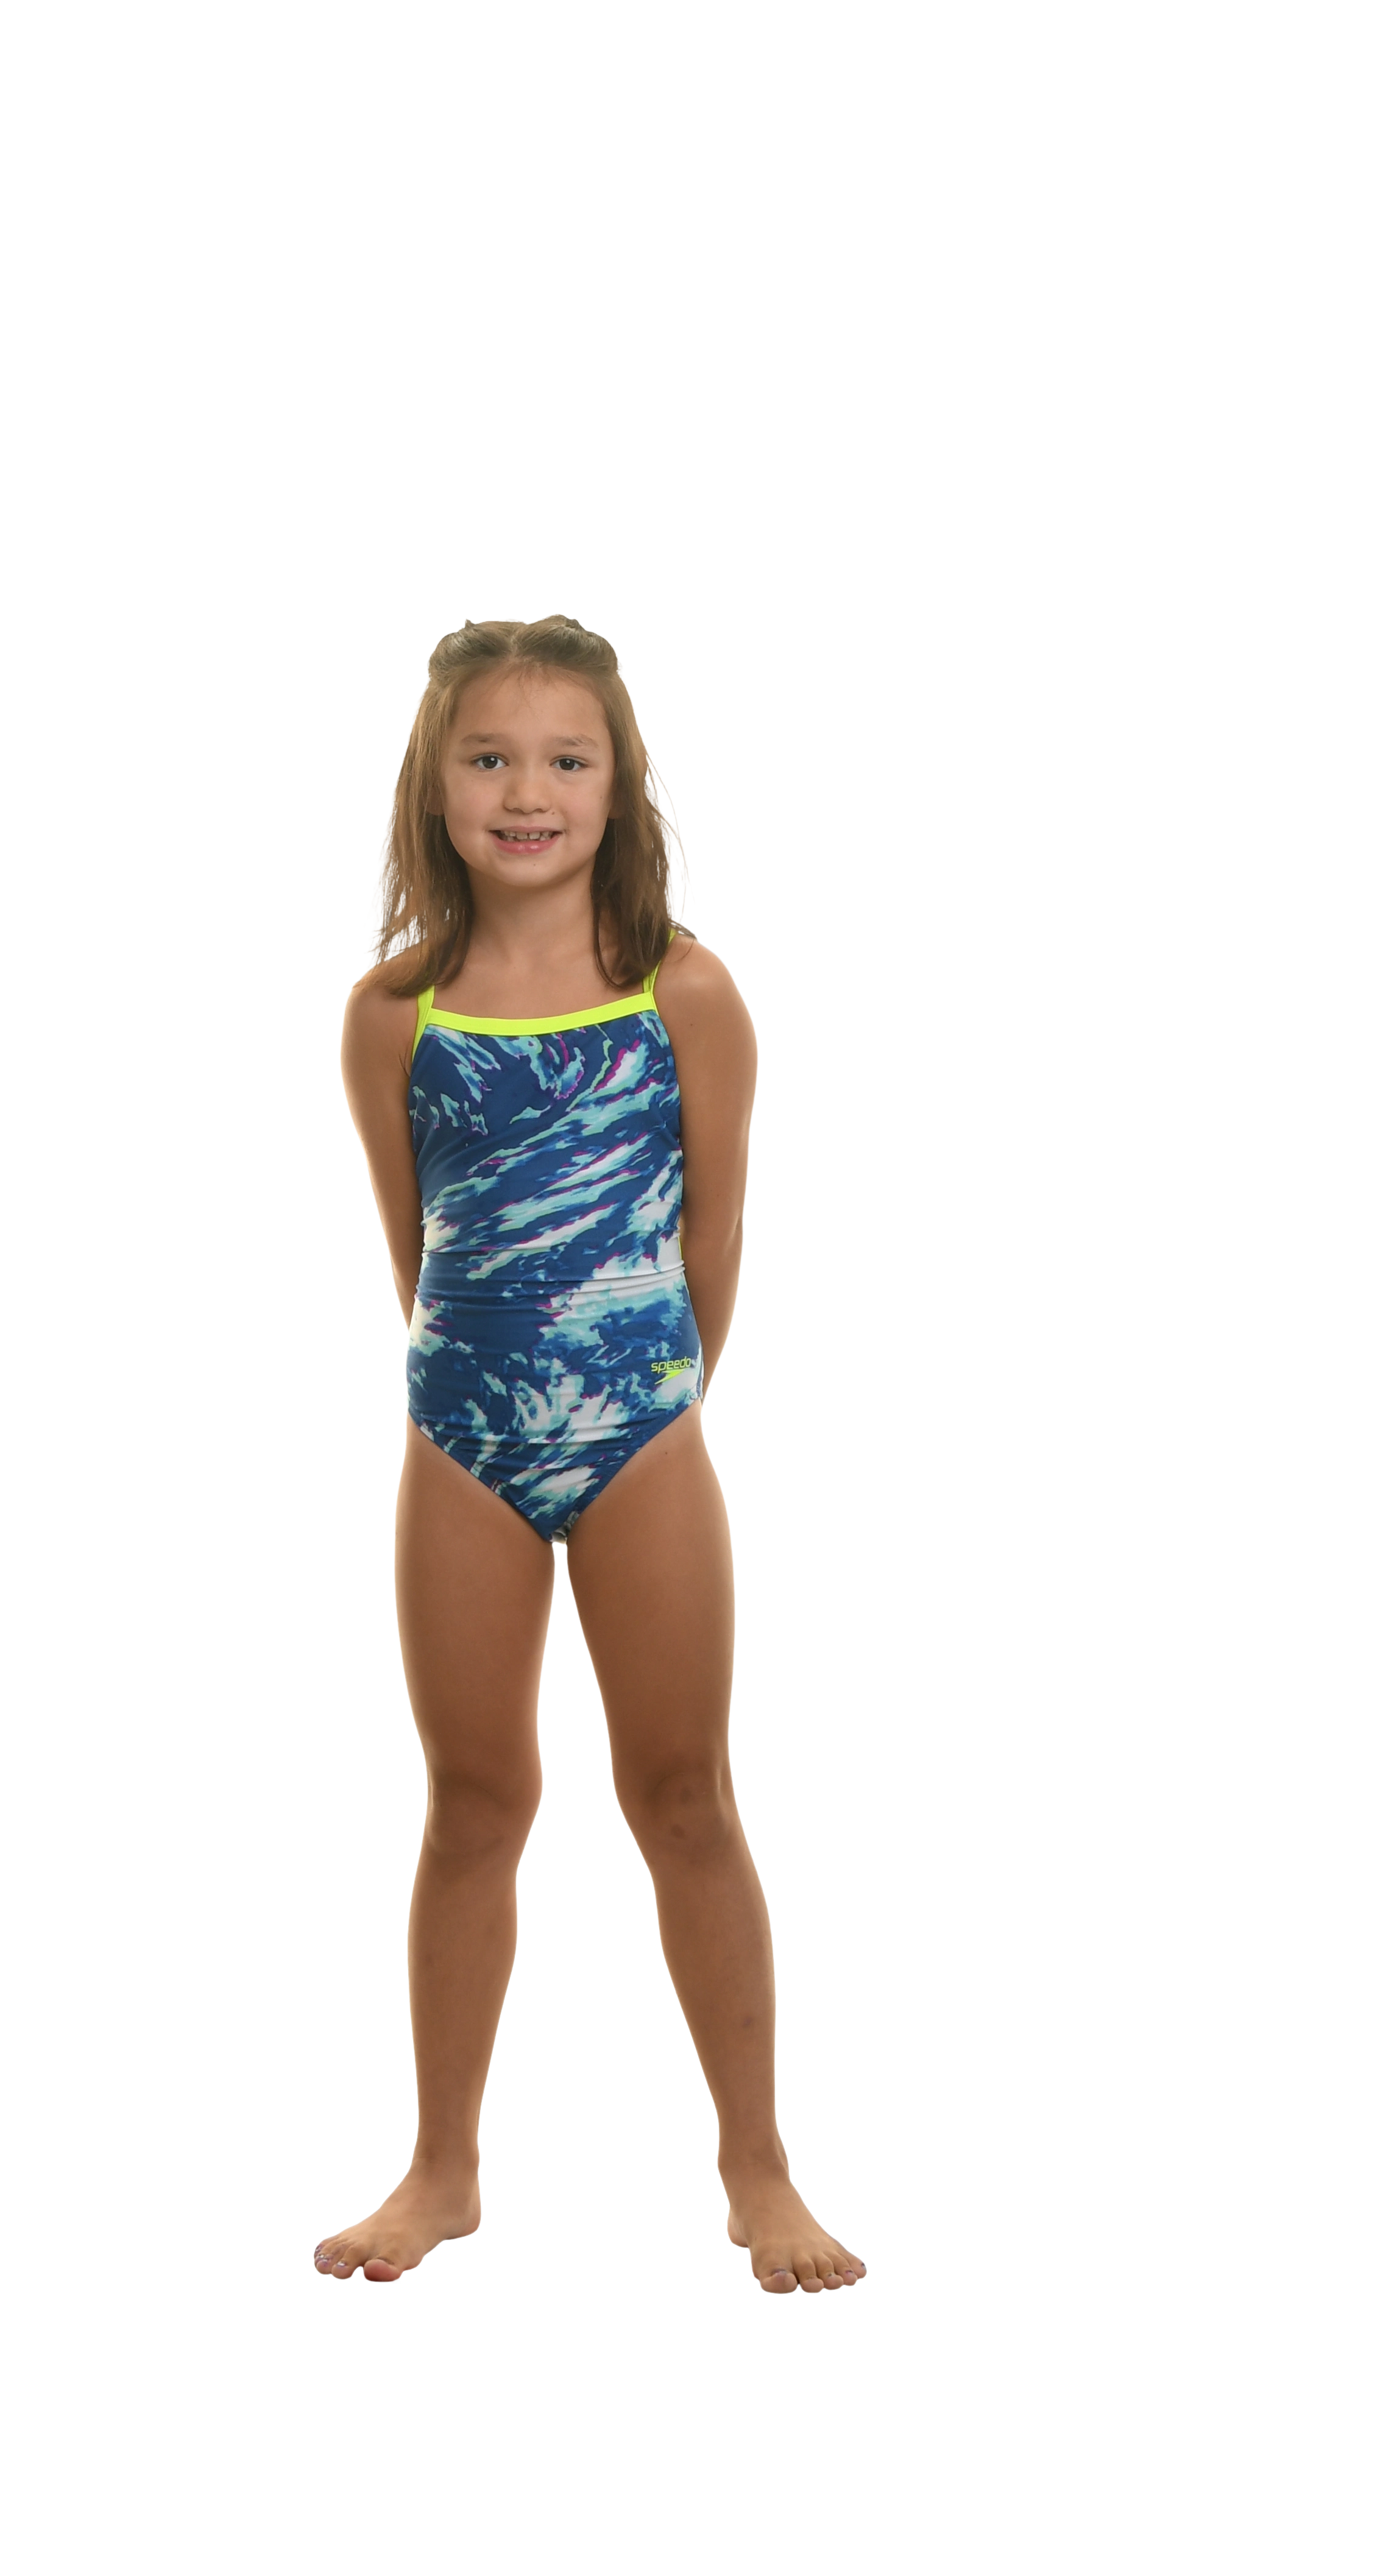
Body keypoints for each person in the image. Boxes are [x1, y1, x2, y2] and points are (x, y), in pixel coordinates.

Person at [319, 611, 865, 2294]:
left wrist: (651, 1403)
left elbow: (719, 1236)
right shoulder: (392, 1013)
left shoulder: (686, 992)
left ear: (624, 783)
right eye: (489, 758)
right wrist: (484, 1396)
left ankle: (757, 2167)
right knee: (473, 1799)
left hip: (641, 1430)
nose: (528, 791)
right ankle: (442, 2165)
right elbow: (416, 1250)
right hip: (461, 1435)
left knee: (684, 1793)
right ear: (430, 784)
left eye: (567, 759)